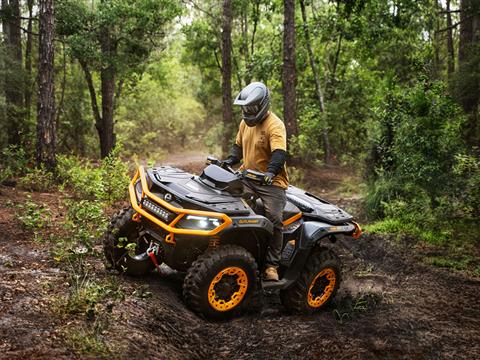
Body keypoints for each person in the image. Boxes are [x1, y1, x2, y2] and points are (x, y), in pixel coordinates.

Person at [224, 82, 288, 281]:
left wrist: (270, 172)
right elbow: (238, 146)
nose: (248, 111)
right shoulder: (245, 123)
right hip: (247, 176)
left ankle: (271, 266)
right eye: (245, 108)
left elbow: (279, 153)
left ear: (262, 105)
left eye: (251, 107)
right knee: (226, 201)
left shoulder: (275, 125)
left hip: (271, 182)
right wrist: (230, 160)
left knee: (275, 220)